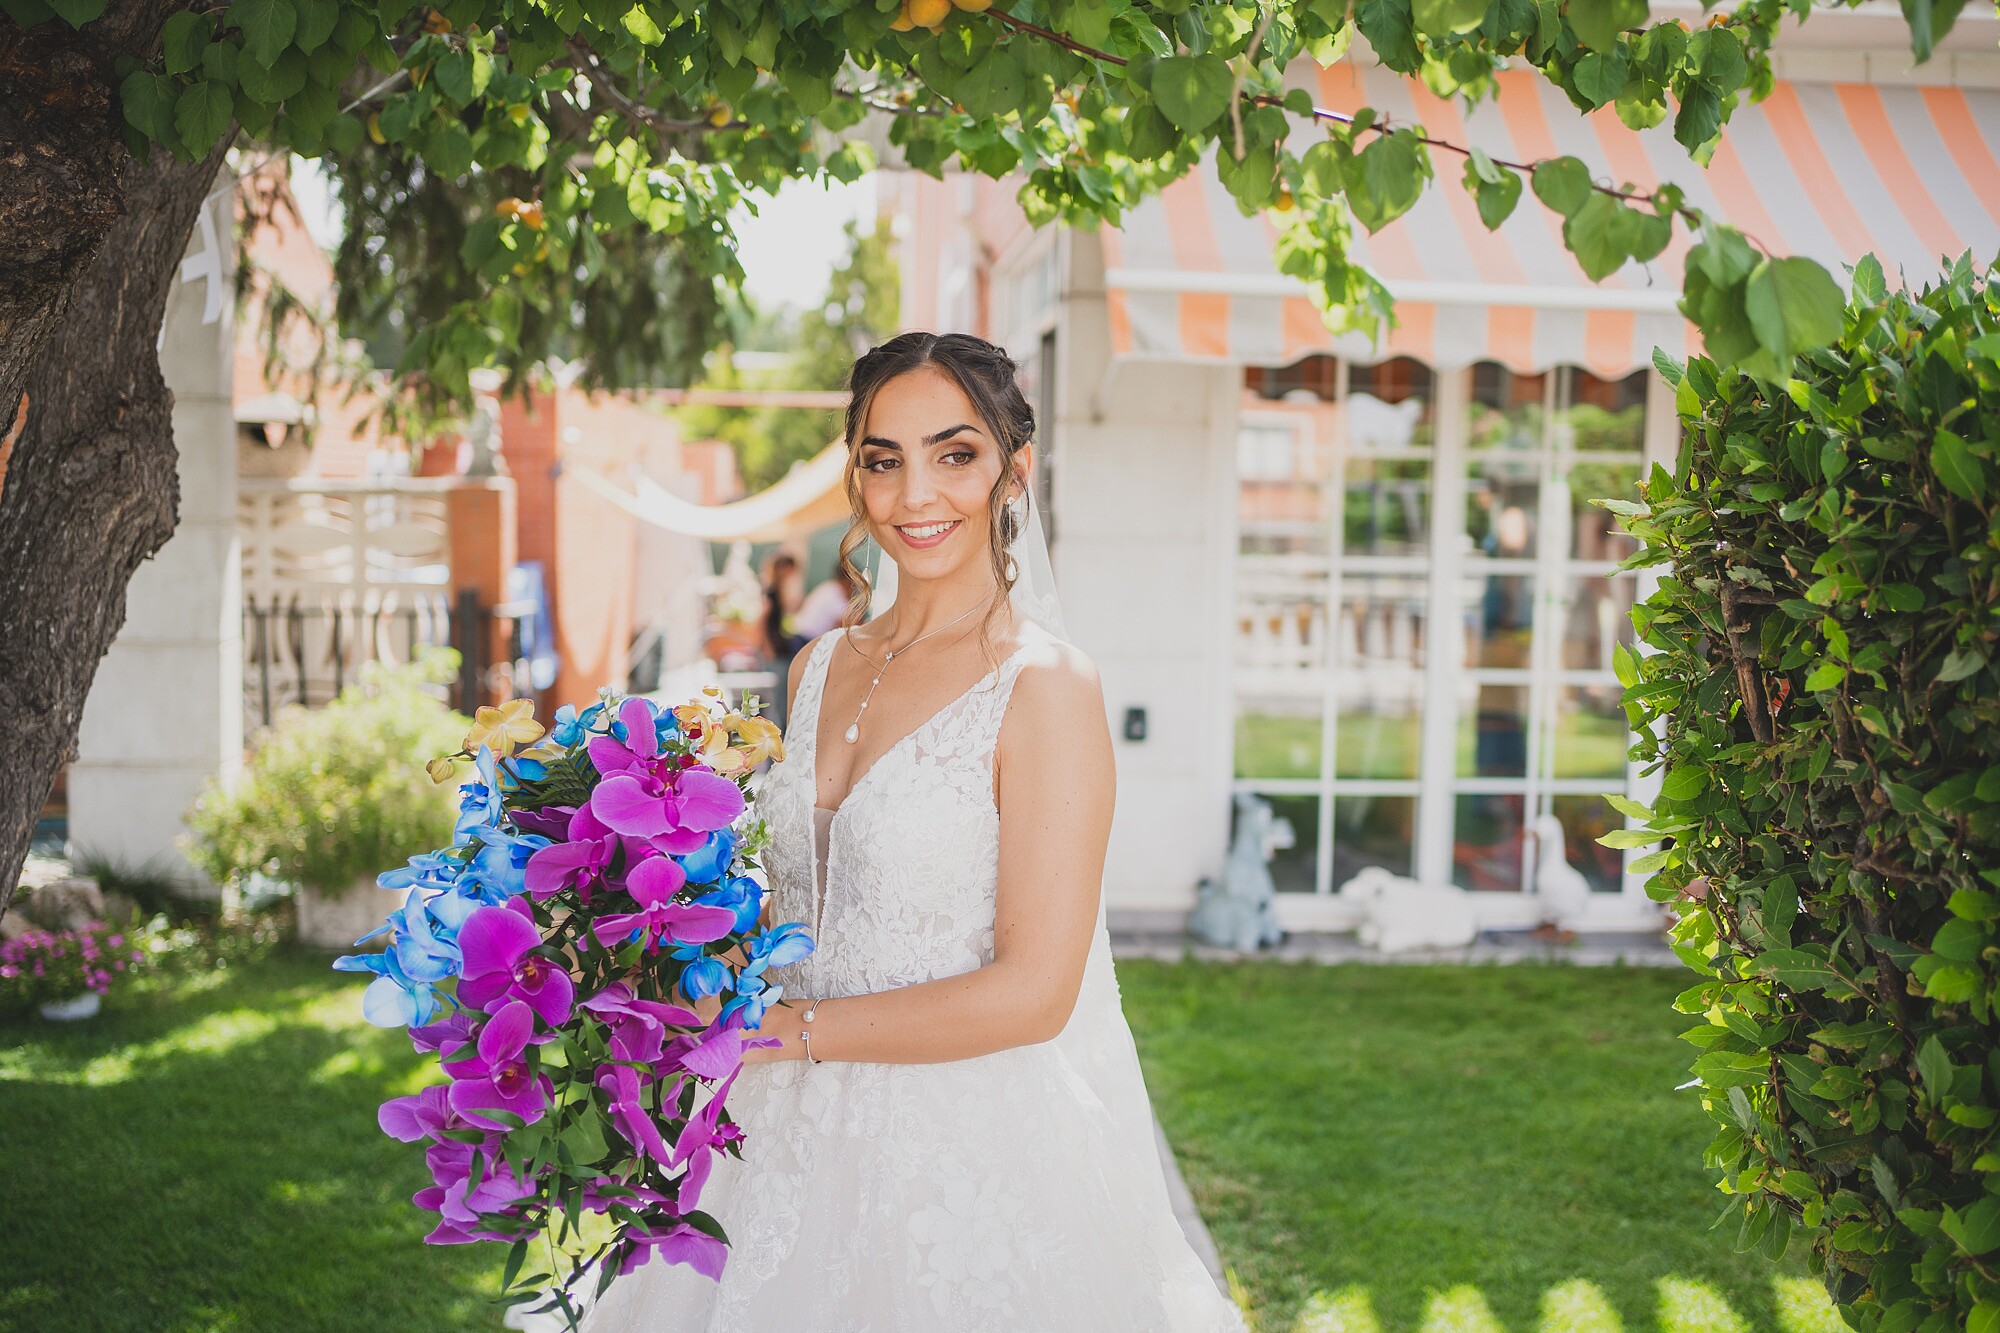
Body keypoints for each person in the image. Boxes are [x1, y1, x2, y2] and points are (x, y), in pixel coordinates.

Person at [579, 332, 1244, 1330]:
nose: (913, 495)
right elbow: (792, 900)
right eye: (881, 460)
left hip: (957, 1155)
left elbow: (1035, 992)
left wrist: (788, 1034)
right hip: (766, 1129)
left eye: (953, 453)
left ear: (1013, 470)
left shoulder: (1045, 688)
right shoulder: (814, 669)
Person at [790, 562, 854, 640]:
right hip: (805, 638)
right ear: (848, 579)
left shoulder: (828, 587)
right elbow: (848, 623)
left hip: (798, 633)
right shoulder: (837, 592)